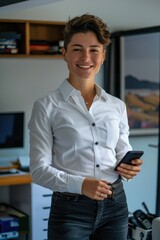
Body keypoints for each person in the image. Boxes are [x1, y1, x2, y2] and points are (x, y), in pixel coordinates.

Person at [28, 13, 143, 240]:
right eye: (77, 48)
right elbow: (39, 170)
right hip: (70, 210)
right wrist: (81, 185)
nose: (86, 57)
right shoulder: (46, 106)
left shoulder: (117, 106)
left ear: (103, 55)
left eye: (94, 49)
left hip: (116, 205)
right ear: (64, 53)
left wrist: (130, 167)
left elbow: (122, 152)